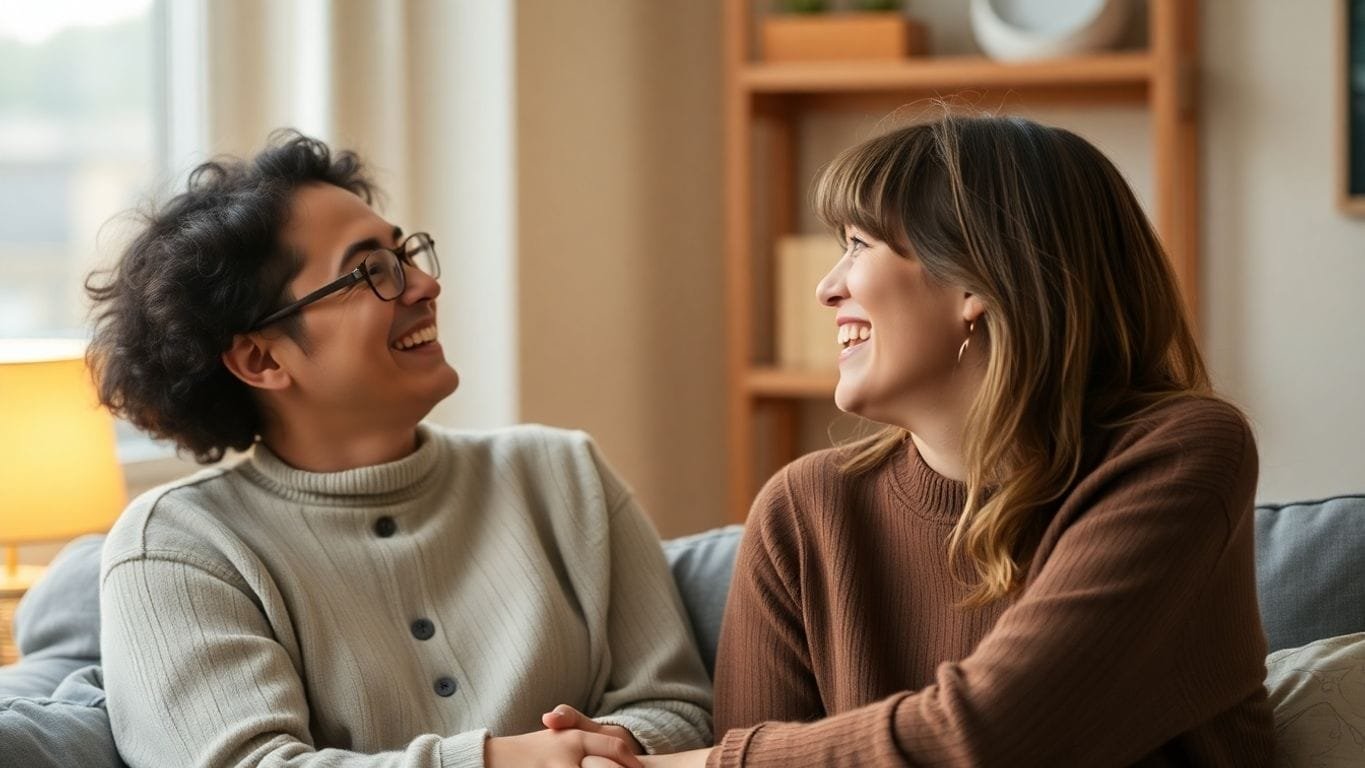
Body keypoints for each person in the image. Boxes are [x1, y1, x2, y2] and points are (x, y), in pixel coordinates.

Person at [637, 114, 1273, 766]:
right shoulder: (804, 510)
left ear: (974, 278)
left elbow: (995, 738)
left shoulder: (1178, 454)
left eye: (858, 246)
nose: (827, 288)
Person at [86, 130, 712, 768]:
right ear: (259, 357)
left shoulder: (563, 474)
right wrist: (500, 762)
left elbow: (682, 706)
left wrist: (600, 752)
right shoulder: (176, 545)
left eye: (405, 254)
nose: (423, 286)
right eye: (371, 272)